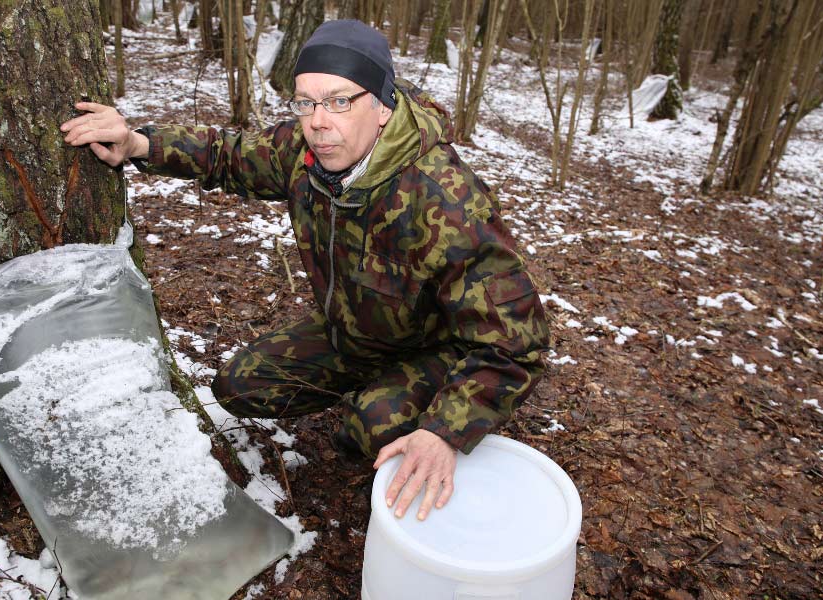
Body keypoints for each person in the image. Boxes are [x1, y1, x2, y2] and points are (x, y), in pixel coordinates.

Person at [61, 20, 550, 522]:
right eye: (305, 102)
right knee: (239, 386)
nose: (318, 121)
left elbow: (517, 342)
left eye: (340, 101)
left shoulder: (444, 202)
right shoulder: (307, 152)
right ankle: (378, 387)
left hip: (436, 350)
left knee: (372, 425)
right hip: (351, 333)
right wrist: (139, 144)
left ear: (382, 107)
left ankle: (398, 405)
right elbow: (232, 155)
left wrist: (445, 430)